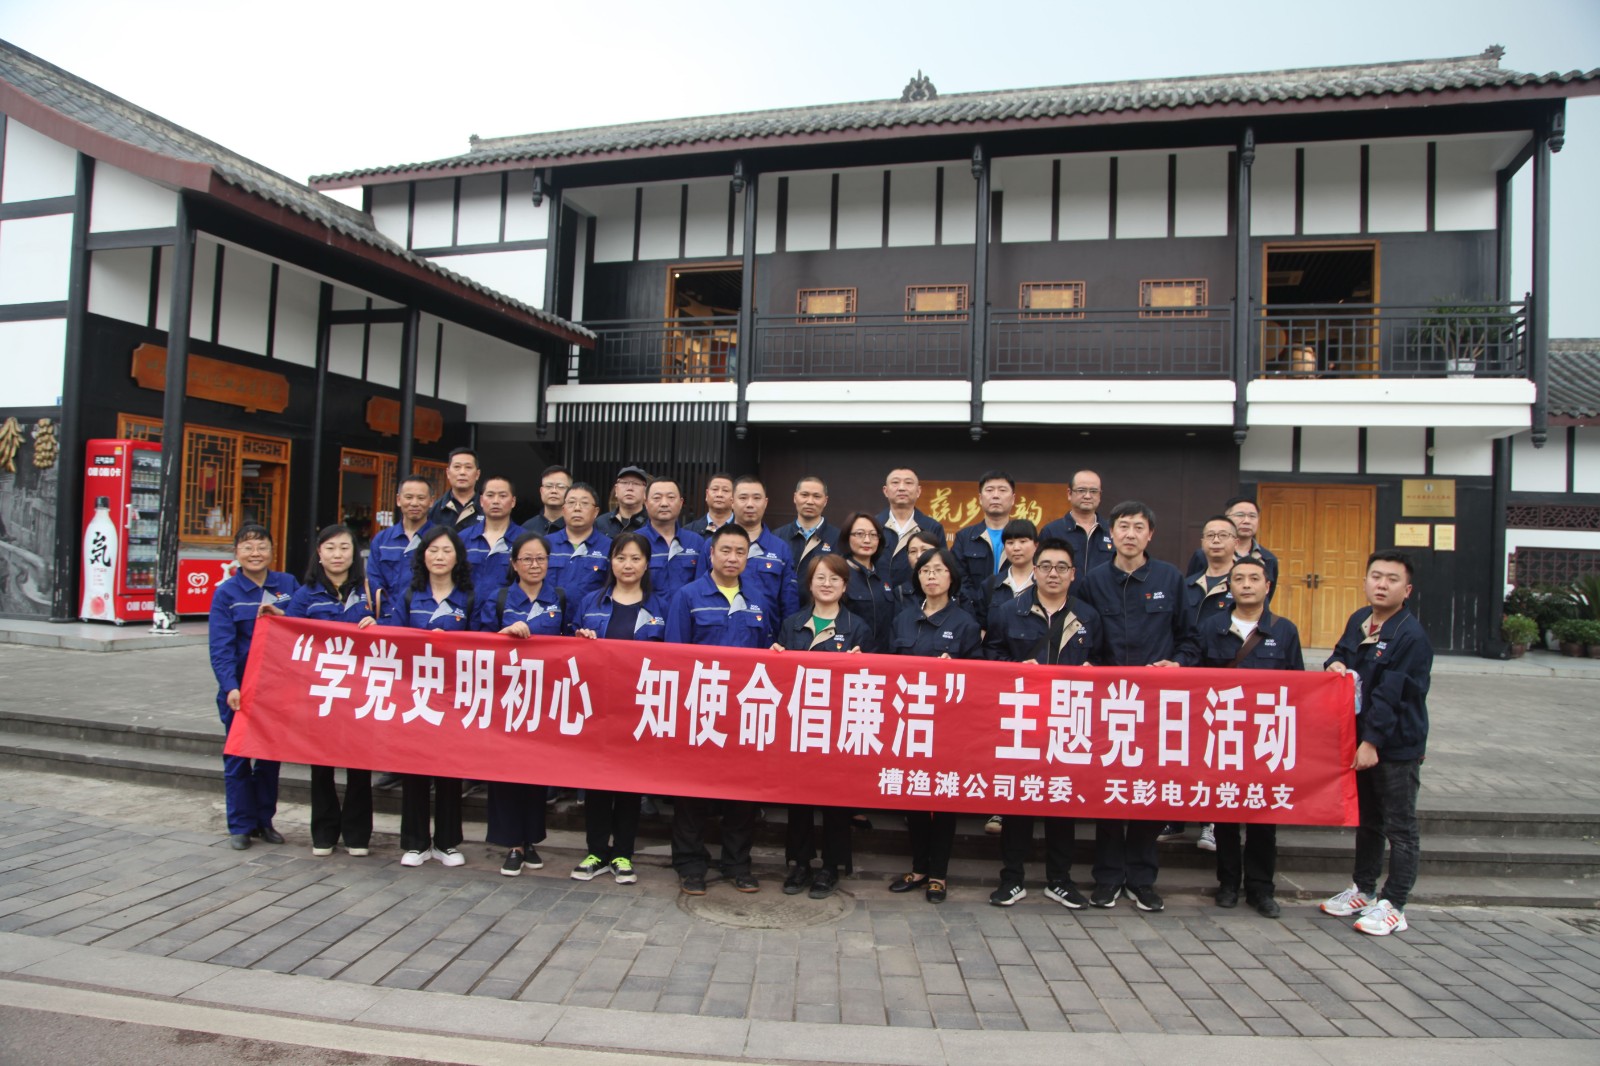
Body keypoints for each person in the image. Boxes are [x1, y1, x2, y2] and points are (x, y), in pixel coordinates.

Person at [1175, 556, 1303, 918]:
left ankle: (1261, 889)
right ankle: (1228, 883)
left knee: (1263, 818)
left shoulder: (1284, 631)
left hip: (1265, 738)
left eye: (1254, 578)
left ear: (1268, 586)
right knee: (1225, 814)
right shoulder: (1211, 627)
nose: (1246, 584)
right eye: (1239, 579)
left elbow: (1298, 686)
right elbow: (1193, 673)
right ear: (1229, 587)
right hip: (1223, 736)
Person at [1077, 500, 1189, 913]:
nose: (1130, 534)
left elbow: (1189, 638)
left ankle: (1142, 879)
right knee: (1109, 790)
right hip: (1108, 704)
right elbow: (1083, 634)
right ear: (1111, 533)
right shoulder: (1093, 581)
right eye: (1123, 526)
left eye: (1138, 527)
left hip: (1157, 705)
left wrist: (1178, 663)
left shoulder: (1169, 578)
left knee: (1148, 790)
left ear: (1150, 534)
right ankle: (1107, 878)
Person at [982, 538, 1100, 909]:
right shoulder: (1008, 611)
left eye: (1061, 567)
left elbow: (1103, 661)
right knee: (1018, 800)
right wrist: (1016, 669)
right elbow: (991, 658)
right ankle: (1012, 878)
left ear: (1073, 574)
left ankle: (1059, 880)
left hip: (1069, 721)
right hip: (1022, 721)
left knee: (1061, 801)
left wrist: (1093, 671)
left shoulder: (1088, 616)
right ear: (1034, 570)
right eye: (1046, 566)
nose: (1053, 573)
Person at [1320, 550, 1432, 937]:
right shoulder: (1360, 620)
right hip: (1360, 740)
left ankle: (1395, 904)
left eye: (1392, 579)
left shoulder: (1410, 636)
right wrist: (1334, 664)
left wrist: (1372, 743)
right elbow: (1340, 654)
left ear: (1407, 590)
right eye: (1376, 576)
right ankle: (1363, 890)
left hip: (1395, 745)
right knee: (1368, 821)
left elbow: (1391, 696)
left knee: (1400, 827)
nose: (1382, 585)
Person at [665, 524, 775, 894]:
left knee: (741, 792)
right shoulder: (688, 596)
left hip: (745, 713)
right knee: (691, 791)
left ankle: (737, 864)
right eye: (725, 550)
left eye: (740, 552)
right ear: (711, 553)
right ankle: (690, 864)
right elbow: (675, 656)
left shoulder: (758, 600)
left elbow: (768, 654)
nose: (732, 558)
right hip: (699, 709)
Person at [771, 553, 871, 900]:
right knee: (798, 798)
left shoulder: (857, 627)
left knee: (835, 799)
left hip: (839, 726)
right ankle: (800, 863)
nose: (826, 584)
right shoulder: (792, 623)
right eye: (820, 578)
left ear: (845, 586)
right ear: (809, 583)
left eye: (834, 579)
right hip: (799, 723)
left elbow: (872, 681)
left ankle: (831, 866)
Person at [571, 533, 669, 885]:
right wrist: (580, 642)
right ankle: (596, 851)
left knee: (629, 784)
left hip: (639, 708)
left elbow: (674, 657)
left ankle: (624, 853)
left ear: (647, 564)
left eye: (635, 558)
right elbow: (566, 650)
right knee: (597, 781)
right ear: (610, 562)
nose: (628, 565)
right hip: (597, 706)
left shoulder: (661, 606)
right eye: (621, 557)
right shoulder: (590, 602)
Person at [887, 548, 982, 903]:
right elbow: (888, 669)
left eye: (939, 570)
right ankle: (919, 868)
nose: (931, 576)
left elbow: (980, 679)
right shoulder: (904, 619)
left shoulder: (965, 623)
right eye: (925, 570)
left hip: (948, 727)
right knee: (914, 797)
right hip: (909, 724)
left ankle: (938, 874)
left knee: (943, 800)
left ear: (951, 577)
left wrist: (956, 670)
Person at [284, 523, 377, 858]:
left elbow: (393, 630)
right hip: (320, 691)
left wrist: (378, 624)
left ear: (355, 554)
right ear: (319, 554)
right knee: (320, 765)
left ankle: (357, 834)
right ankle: (323, 832)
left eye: (344, 548)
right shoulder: (305, 595)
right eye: (330, 548)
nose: (338, 555)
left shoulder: (369, 591)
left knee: (359, 766)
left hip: (361, 691)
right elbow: (287, 636)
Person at [477, 530, 566, 878]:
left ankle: (531, 840)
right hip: (506, 698)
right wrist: (504, 635)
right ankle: (511, 843)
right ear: (514, 564)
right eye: (527, 559)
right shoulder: (499, 598)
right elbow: (477, 642)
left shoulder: (559, 597)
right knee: (505, 772)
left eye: (540, 558)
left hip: (544, 699)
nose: (534, 565)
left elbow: (570, 639)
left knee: (536, 771)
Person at [385, 525, 474, 868]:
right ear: (423, 556)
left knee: (450, 770)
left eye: (446, 550)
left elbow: (482, 643)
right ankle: (416, 842)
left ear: (457, 557)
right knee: (415, 768)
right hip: (415, 695)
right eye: (433, 550)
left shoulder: (468, 598)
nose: (439, 557)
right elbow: (393, 641)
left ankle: (447, 843)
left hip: (453, 695)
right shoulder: (410, 596)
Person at [208, 523, 297, 850]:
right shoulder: (226, 593)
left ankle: (264, 821)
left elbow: (303, 624)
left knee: (269, 759)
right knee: (238, 758)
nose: (255, 553)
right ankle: (240, 825)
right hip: (240, 692)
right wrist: (230, 686)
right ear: (236, 553)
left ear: (273, 550)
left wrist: (282, 613)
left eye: (261, 546)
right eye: (247, 547)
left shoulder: (287, 584)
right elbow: (221, 646)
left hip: (276, 690)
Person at [1160, 513, 1239, 849]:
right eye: (1210, 535)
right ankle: (1176, 816)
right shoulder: (1187, 584)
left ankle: (1211, 821)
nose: (1216, 541)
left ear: (1236, 542)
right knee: (1182, 749)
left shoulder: (1243, 581)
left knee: (1216, 753)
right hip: (1187, 677)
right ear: (1202, 542)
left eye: (1223, 535)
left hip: (1225, 681)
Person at [1186, 496, 1280, 602]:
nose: (1247, 521)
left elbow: (1267, 597)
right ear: (1227, 519)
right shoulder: (1205, 554)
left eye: (1252, 516)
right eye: (1240, 515)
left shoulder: (1268, 559)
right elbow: (1191, 589)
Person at [367, 475, 432, 625]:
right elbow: (374, 582)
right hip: (386, 620)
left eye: (421, 498)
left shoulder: (440, 540)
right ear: (398, 500)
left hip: (425, 621)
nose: (414, 503)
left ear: (431, 501)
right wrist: (389, 613)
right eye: (408, 497)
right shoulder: (382, 540)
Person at [1038, 469, 1114, 596]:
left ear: (1100, 495)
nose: (1088, 496)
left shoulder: (1111, 531)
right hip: (1063, 602)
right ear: (1069, 493)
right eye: (1081, 490)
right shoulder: (1052, 530)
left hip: (1102, 602)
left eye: (1093, 491)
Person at [731, 476, 798, 619]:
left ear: (765, 503)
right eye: (743, 498)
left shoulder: (780, 549)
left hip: (767, 631)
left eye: (756, 498)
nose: (750, 504)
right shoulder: (713, 545)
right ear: (732, 502)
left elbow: (789, 603)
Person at [952, 470, 1016, 616]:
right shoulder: (964, 537)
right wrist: (975, 618)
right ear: (980, 498)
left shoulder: (1023, 538)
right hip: (972, 616)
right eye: (989, 490)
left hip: (1013, 616)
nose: (995, 495)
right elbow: (959, 581)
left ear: (1013, 499)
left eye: (1002, 490)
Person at [876, 467, 948, 591]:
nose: (901, 488)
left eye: (908, 483)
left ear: (918, 491)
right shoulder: (873, 525)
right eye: (895, 482)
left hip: (918, 597)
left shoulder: (932, 527)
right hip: (879, 597)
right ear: (885, 491)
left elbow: (943, 568)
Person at [638, 476, 706, 603]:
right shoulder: (635, 541)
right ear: (646, 503)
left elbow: (703, 585)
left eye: (671, 497)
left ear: (681, 503)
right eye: (657, 498)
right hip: (646, 613)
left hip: (686, 613)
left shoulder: (696, 542)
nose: (664, 503)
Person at [839, 511, 897, 654]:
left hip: (884, 655)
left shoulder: (884, 574)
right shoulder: (839, 572)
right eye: (860, 534)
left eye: (873, 535)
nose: (867, 540)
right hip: (852, 653)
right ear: (847, 537)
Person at [546, 483, 612, 608]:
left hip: (590, 617)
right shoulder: (546, 544)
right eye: (571, 503)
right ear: (563, 510)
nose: (577, 508)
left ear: (596, 512)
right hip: (551, 616)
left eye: (584, 503)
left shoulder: (609, 547)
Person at [461, 476, 523, 595]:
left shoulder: (525, 540)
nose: (496, 501)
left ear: (513, 501)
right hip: (469, 606)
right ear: (481, 500)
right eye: (490, 495)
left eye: (502, 496)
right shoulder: (463, 538)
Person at [981, 518, 1038, 625]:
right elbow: (982, 625)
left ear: (1036, 545)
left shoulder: (1044, 582)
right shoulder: (991, 584)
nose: (1016, 548)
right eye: (1010, 543)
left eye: (1023, 541)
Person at [776, 475, 841, 566]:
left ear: (825, 501)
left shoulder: (838, 539)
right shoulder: (778, 536)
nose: (810, 501)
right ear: (795, 497)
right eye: (804, 495)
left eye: (816, 496)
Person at [427, 447, 481, 530]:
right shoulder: (435, 509)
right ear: (448, 473)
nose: (462, 472)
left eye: (468, 467)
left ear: (477, 474)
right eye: (457, 467)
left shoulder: (487, 507)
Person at [596, 465, 650, 538]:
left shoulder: (653, 523)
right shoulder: (600, 523)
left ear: (645, 492)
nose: (630, 488)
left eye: (636, 483)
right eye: (624, 483)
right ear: (616, 490)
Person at [526, 464, 571, 536]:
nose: (554, 491)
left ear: (570, 492)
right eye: (548, 486)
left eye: (560, 486)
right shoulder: (527, 528)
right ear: (541, 491)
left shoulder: (577, 527)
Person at [692, 471, 735, 536]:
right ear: (707, 494)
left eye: (725, 490)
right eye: (715, 489)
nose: (719, 494)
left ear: (734, 496)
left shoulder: (744, 529)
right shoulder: (691, 530)